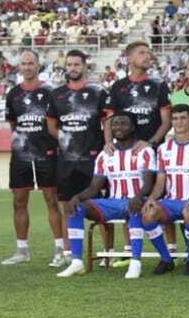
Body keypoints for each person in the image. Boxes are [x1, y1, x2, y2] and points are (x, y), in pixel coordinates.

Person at [55, 113, 173, 279]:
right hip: (112, 202)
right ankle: (77, 262)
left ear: (132, 127)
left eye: (124, 124)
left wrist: (138, 197)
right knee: (76, 208)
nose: (118, 127)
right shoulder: (105, 154)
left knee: (136, 208)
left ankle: (135, 262)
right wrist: (77, 197)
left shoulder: (144, 151)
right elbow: (94, 188)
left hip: (136, 200)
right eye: (115, 124)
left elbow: (148, 184)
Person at [45, 51, 108, 267]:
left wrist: (106, 144)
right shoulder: (56, 95)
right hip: (66, 160)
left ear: (84, 67)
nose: (72, 68)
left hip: (91, 158)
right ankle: (68, 252)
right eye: (69, 64)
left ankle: (107, 253)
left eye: (76, 64)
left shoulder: (97, 92)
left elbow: (107, 121)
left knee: (100, 206)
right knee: (66, 206)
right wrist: (64, 138)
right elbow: (51, 125)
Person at [2, 50, 63, 266]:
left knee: (52, 201)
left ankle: (60, 250)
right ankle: (22, 251)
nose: (27, 67)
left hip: (47, 153)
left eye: (31, 63)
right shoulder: (13, 94)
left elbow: (56, 123)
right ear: (19, 66)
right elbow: (13, 125)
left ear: (38, 66)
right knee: (19, 201)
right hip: (21, 155)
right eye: (23, 63)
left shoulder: (50, 92)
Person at [143, 104, 189, 276]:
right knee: (148, 214)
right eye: (175, 118)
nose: (179, 122)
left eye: (183, 118)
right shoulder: (164, 149)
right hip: (171, 202)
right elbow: (160, 182)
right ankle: (166, 259)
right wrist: (152, 198)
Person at [106, 41, 172, 147]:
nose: (147, 56)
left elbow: (167, 122)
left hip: (151, 152)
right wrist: (109, 143)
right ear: (129, 59)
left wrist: (150, 143)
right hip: (123, 151)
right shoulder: (117, 86)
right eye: (142, 53)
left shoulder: (159, 85)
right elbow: (109, 119)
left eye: (148, 53)